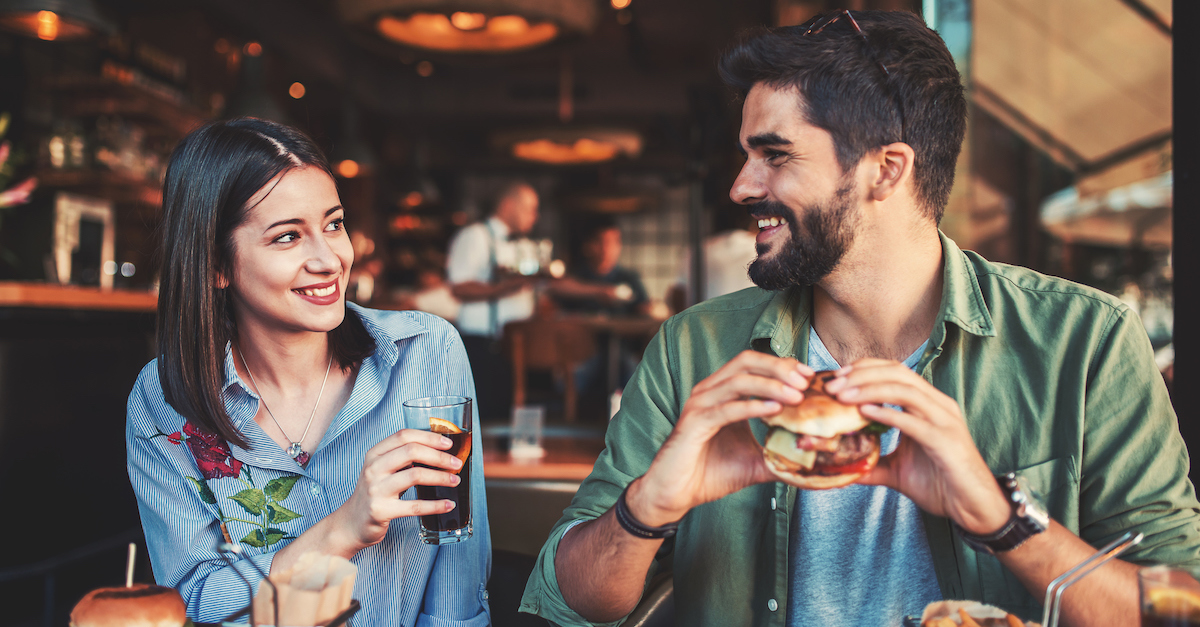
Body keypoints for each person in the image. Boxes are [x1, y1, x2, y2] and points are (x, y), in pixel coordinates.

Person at [521, 10, 1199, 627]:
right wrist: (645, 510)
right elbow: (570, 598)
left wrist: (1001, 519)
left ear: (885, 169)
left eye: (775, 154)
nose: (741, 186)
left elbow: (1180, 603)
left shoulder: (1086, 343)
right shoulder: (694, 348)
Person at [126, 118, 490, 626]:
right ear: (215, 264)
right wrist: (341, 531)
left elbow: (457, 585)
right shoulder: (165, 397)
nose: (329, 260)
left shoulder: (426, 353)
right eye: (288, 237)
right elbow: (194, 602)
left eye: (334, 224)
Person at [446, 182, 540, 420]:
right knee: (484, 418)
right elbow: (460, 287)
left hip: (519, 346)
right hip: (484, 344)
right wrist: (505, 288)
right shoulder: (475, 236)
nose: (534, 216)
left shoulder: (524, 244)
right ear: (508, 205)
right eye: (529, 208)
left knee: (512, 417)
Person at [556, 214, 649, 318]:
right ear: (588, 245)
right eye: (601, 242)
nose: (607, 249)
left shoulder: (629, 278)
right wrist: (601, 291)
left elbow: (644, 308)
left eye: (614, 242)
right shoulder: (576, 278)